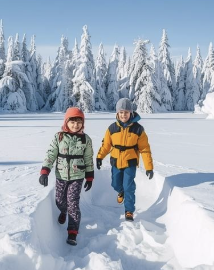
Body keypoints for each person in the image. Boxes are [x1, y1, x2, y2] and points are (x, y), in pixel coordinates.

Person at [39, 107, 94, 246]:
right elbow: (51, 154)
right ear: (66, 122)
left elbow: (88, 158)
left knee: (73, 203)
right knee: (59, 201)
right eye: (72, 122)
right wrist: (45, 171)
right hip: (61, 175)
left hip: (77, 176)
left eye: (79, 122)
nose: (76, 125)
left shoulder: (86, 139)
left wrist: (89, 176)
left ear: (82, 123)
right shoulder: (59, 137)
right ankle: (63, 211)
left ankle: (72, 232)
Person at [96, 98, 154, 222]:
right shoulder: (112, 128)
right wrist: (100, 157)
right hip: (116, 161)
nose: (123, 115)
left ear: (131, 113)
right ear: (117, 113)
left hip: (130, 162)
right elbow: (106, 145)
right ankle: (120, 191)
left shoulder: (138, 129)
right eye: (121, 112)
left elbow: (145, 149)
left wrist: (149, 167)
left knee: (129, 186)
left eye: (126, 112)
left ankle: (129, 210)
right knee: (115, 184)